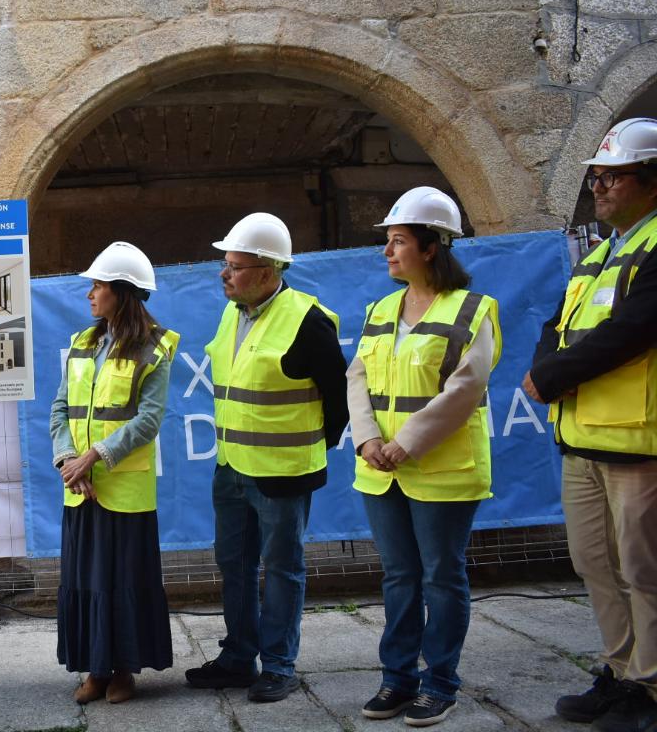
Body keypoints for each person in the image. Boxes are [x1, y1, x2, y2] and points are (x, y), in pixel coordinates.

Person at [347, 187, 500, 728]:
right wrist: (366, 439)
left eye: (397, 242)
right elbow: (357, 379)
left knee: (441, 577)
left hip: (440, 470)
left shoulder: (474, 309)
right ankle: (397, 679)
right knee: (398, 577)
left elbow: (465, 388)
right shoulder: (380, 309)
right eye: (387, 243)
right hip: (381, 470)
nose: (386, 252)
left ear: (432, 247)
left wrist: (403, 444)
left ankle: (440, 683)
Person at [523, 118, 657, 732]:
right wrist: (543, 367)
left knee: (644, 571)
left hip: (639, 441)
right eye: (596, 177)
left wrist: (551, 378)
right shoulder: (604, 252)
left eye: (612, 176)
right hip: (582, 438)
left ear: (650, 182)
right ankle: (620, 669)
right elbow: (558, 325)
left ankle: (649, 688)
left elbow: (634, 329)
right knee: (595, 564)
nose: (598, 187)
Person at [185, 213, 348, 702]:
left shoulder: (307, 319)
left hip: (282, 475)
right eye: (225, 264)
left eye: (235, 266)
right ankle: (239, 657)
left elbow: (339, 398)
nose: (224, 274)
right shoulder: (234, 311)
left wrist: (307, 450)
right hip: (231, 467)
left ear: (268, 270)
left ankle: (279, 665)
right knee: (233, 565)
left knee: (282, 569)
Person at [50, 242, 180, 705]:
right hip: (80, 488)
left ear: (122, 293)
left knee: (124, 580)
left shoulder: (155, 348)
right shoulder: (84, 344)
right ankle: (93, 670)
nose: (90, 293)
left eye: (99, 285)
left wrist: (95, 456)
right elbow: (60, 408)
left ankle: (123, 670)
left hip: (124, 490)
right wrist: (68, 460)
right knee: (86, 580)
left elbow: (149, 419)